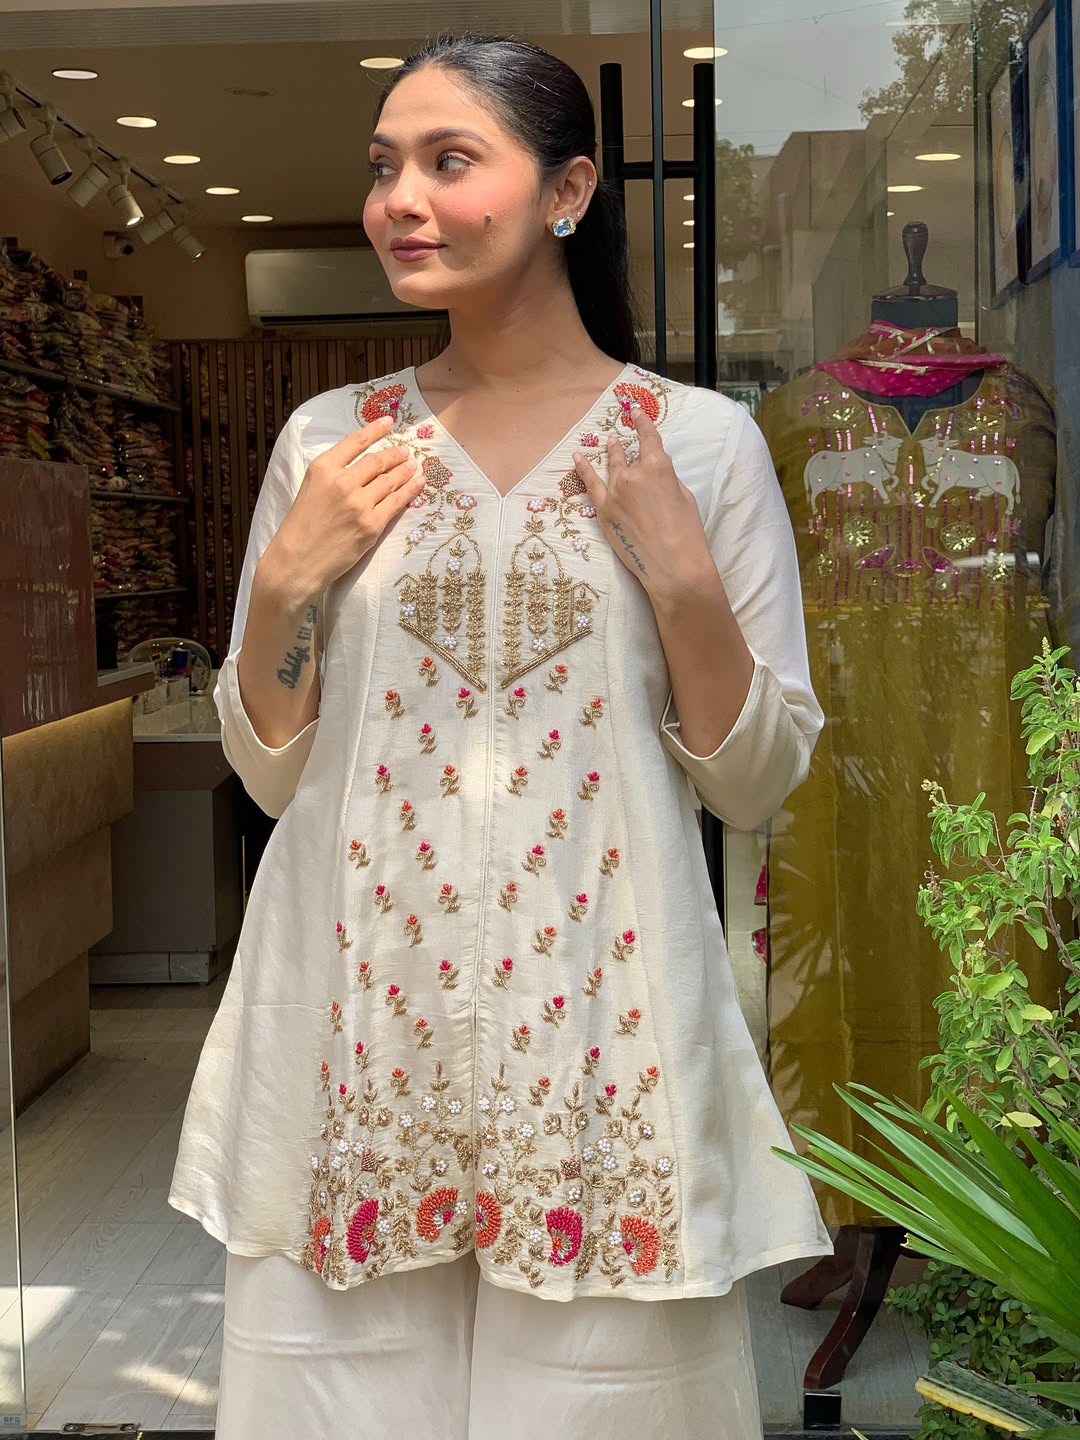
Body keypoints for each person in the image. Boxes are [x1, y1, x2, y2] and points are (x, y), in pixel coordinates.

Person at [170, 31, 830, 1439]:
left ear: (568, 190)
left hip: (601, 1044)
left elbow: (762, 775)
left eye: (448, 160)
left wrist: (684, 579)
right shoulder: (332, 444)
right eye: (383, 167)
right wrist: (292, 577)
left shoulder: (697, 447)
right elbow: (269, 768)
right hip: (357, 1034)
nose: (400, 197)